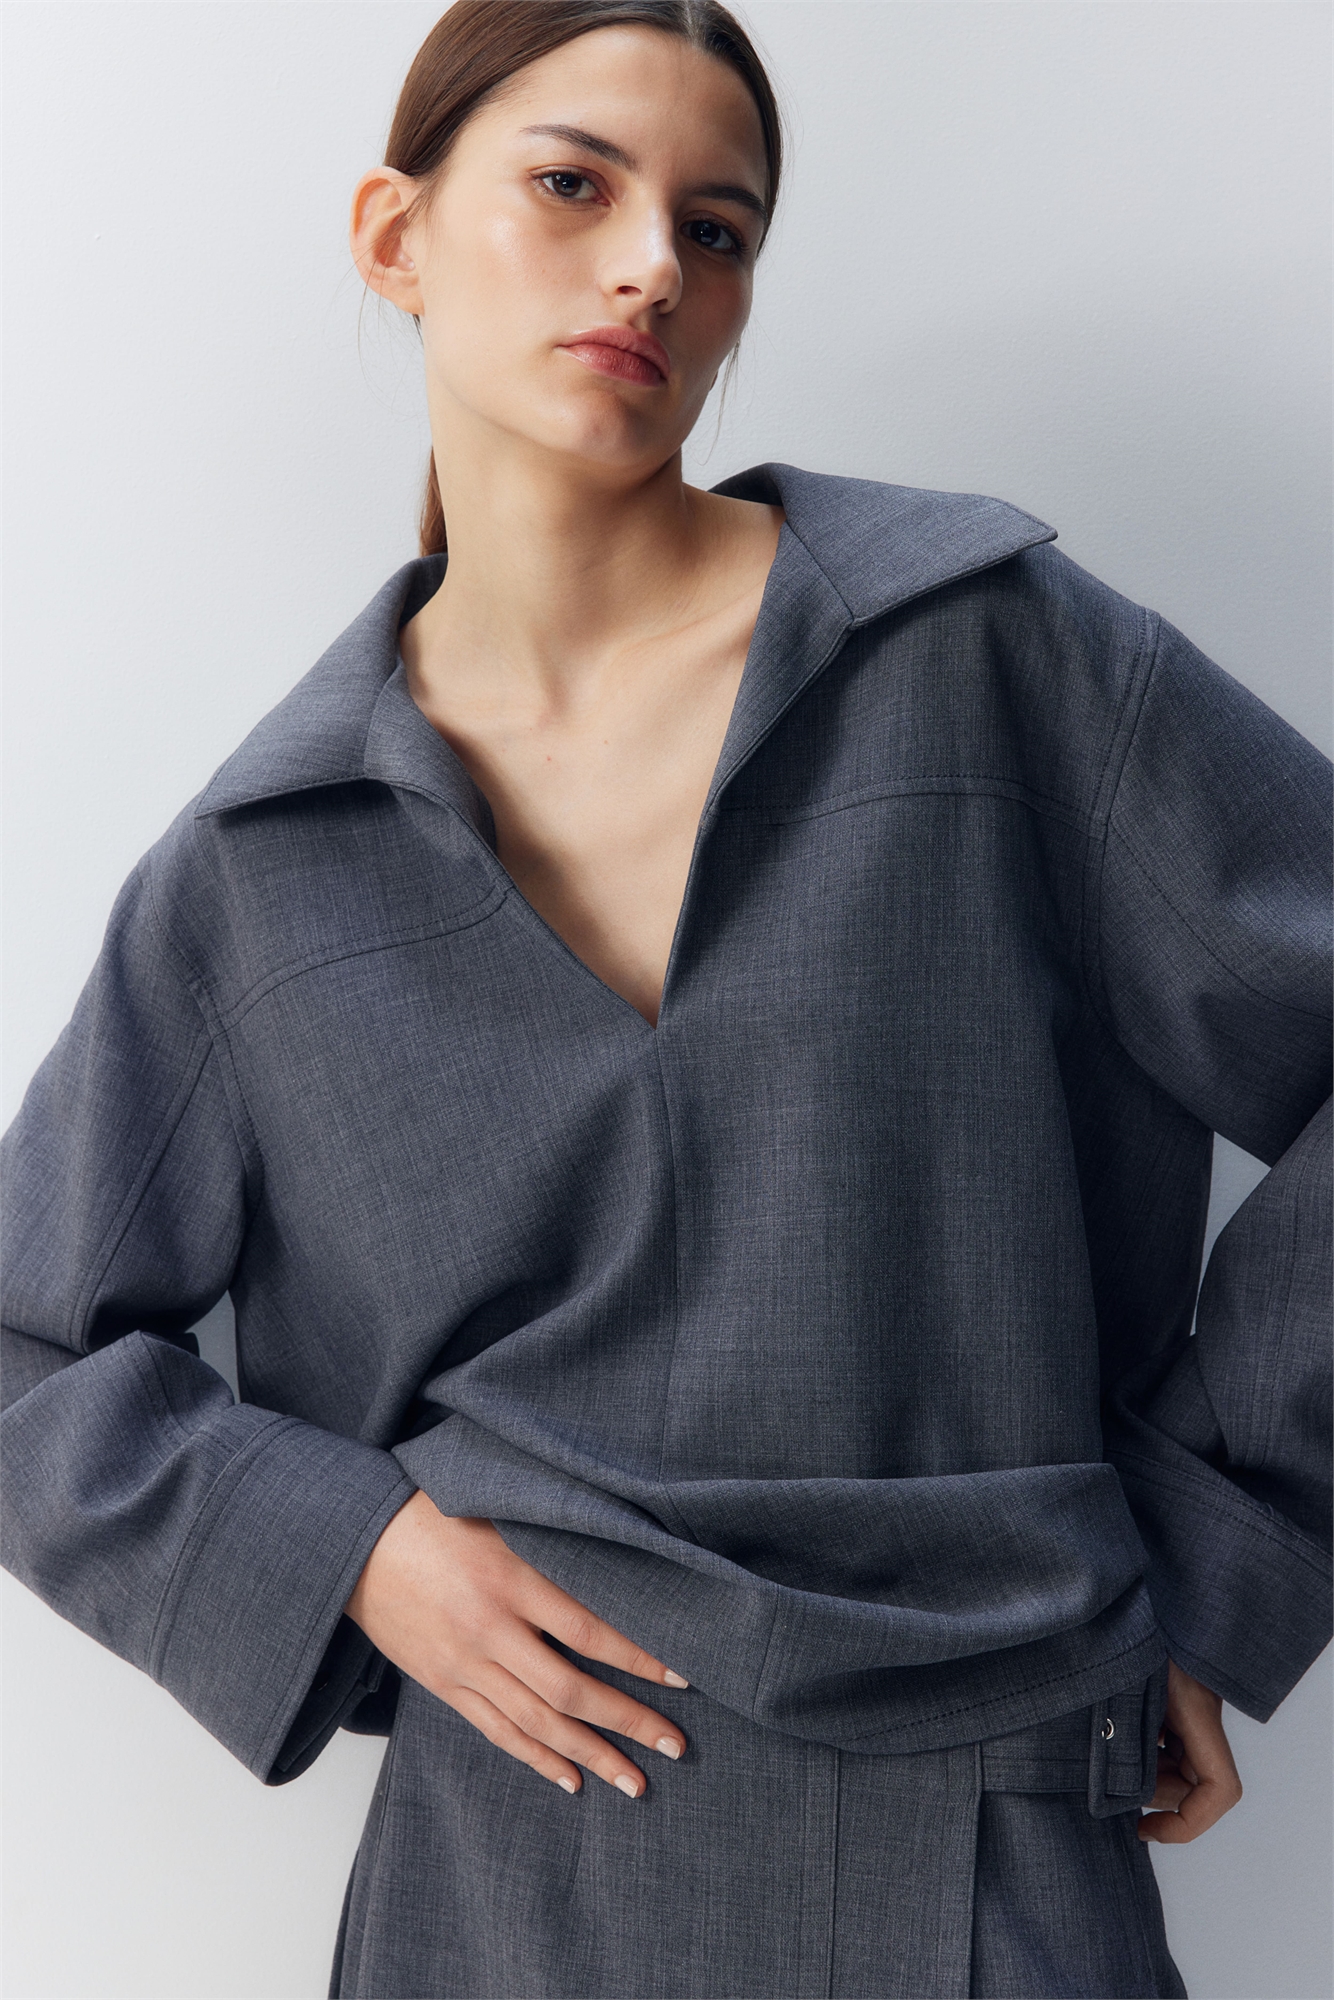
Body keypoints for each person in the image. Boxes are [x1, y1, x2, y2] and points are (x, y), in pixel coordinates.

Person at [2, 2, 1328, 1995]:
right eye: (572, 185)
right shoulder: (266, 865)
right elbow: (25, 1345)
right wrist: (351, 1547)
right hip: (506, 1873)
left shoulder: (982, 656)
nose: (648, 267)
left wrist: (1219, 1560)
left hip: (990, 1817)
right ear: (393, 235)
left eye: (717, 230)